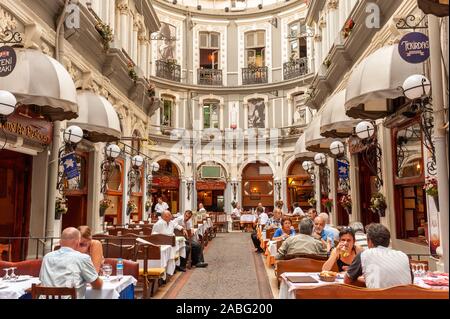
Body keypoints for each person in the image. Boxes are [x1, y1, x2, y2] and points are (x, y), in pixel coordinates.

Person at [344, 223, 413, 289]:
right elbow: (411, 281)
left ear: (369, 241)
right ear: (388, 241)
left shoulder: (364, 254)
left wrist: (367, 283)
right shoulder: (403, 256)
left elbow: (347, 281)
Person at [39, 227, 103, 299]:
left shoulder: (47, 257)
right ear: (77, 242)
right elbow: (97, 285)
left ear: (60, 242)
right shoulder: (82, 258)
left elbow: (42, 281)